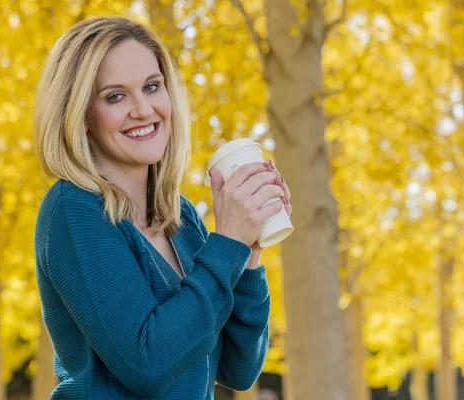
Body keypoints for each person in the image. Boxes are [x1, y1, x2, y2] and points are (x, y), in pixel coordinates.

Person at [32, 15, 292, 399]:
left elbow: (238, 369)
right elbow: (147, 364)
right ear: (81, 114)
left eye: (152, 87)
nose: (143, 109)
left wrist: (248, 252)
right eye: (115, 96)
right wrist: (228, 242)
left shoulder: (181, 218)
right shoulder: (74, 210)